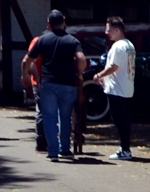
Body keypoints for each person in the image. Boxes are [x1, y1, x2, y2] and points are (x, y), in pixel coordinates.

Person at [30, 10, 87, 161]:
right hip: (68, 83)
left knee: (49, 117)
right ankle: (65, 149)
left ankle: (52, 152)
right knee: (65, 117)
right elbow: (81, 59)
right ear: (64, 23)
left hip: (48, 83)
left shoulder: (42, 39)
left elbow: (27, 60)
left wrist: (28, 76)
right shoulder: (72, 40)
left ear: (48, 24)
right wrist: (79, 73)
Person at [94, 16, 136, 160]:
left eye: (108, 29)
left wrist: (99, 75)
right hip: (127, 87)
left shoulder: (118, 46)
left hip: (117, 89)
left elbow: (113, 66)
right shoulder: (129, 45)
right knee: (124, 120)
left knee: (119, 120)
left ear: (117, 30)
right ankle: (125, 148)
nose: (106, 32)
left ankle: (125, 149)